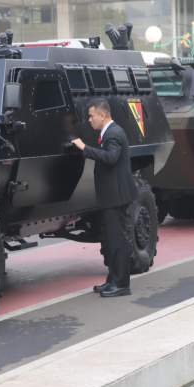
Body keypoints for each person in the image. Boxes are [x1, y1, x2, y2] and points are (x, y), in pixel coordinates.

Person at [72, 98, 138, 297]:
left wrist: (84, 148)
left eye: (91, 116)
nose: (89, 120)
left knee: (118, 240)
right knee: (110, 240)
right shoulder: (106, 132)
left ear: (103, 115)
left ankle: (122, 284)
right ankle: (113, 280)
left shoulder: (114, 133)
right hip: (111, 196)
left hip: (116, 196)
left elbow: (110, 157)